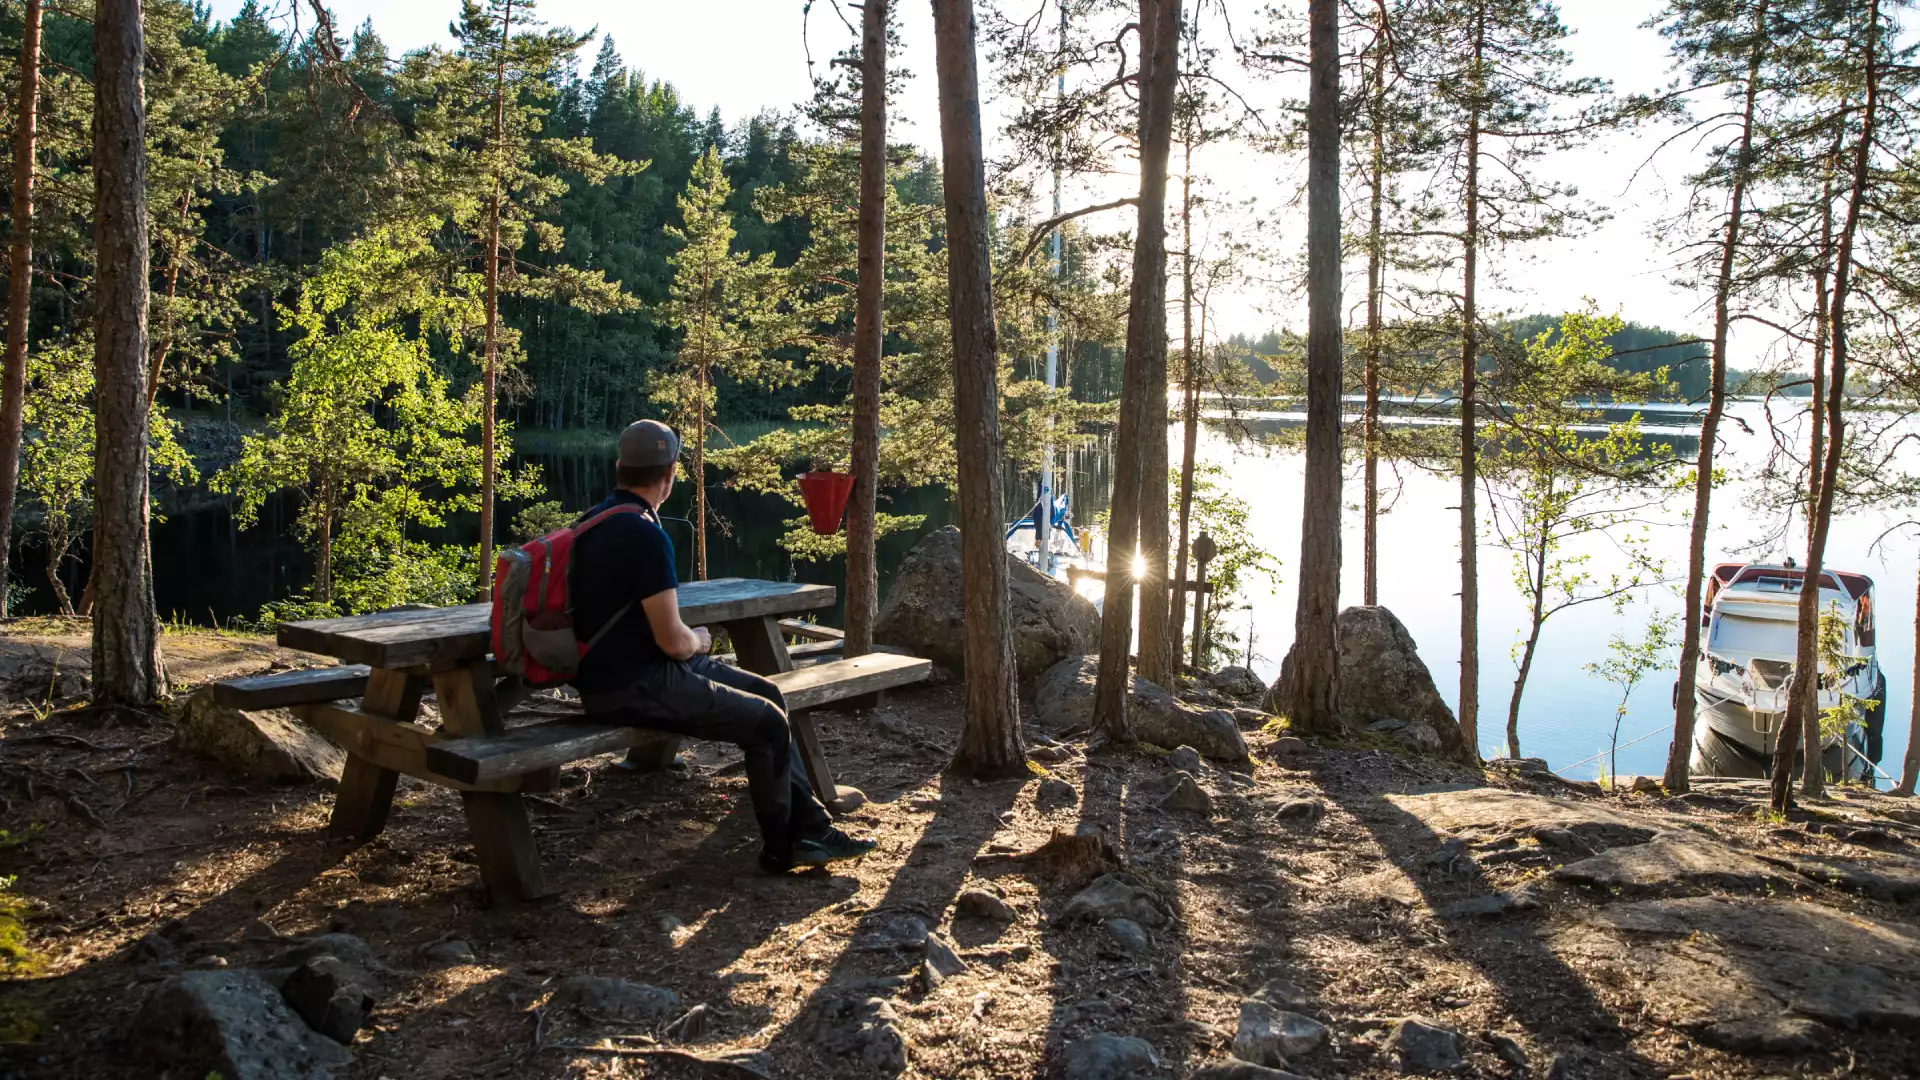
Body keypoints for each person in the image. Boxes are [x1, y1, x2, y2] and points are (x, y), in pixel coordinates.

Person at [568, 419, 876, 873]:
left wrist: (687, 647)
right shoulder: (643, 535)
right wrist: (698, 640)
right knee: (767, 723)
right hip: (634, 685)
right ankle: (781, 849)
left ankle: (809, 827)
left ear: (621, 468)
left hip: (614, 675)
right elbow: (674, 641)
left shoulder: (594, 520)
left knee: (770, 694)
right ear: (671, 474)